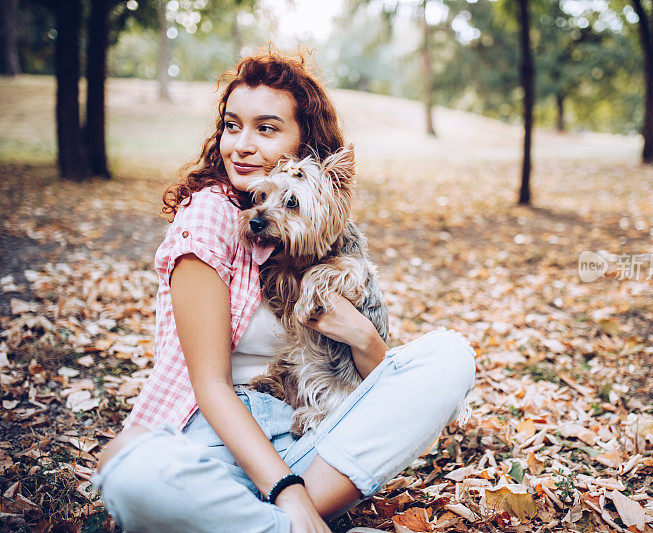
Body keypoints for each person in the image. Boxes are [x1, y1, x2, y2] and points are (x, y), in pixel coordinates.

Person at [90, 49, 476, 533]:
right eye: (233, 126)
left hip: (307, 432)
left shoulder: (314, 230)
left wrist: (362, 337)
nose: (242, 146)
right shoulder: (213, 217)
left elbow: (376, 386)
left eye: (266, 129)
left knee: (452, 354)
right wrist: (288, 493)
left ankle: (247, 523)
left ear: (304, 144)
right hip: (221, 439)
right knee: (133, 473)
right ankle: (290, 523)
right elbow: (211, 387)